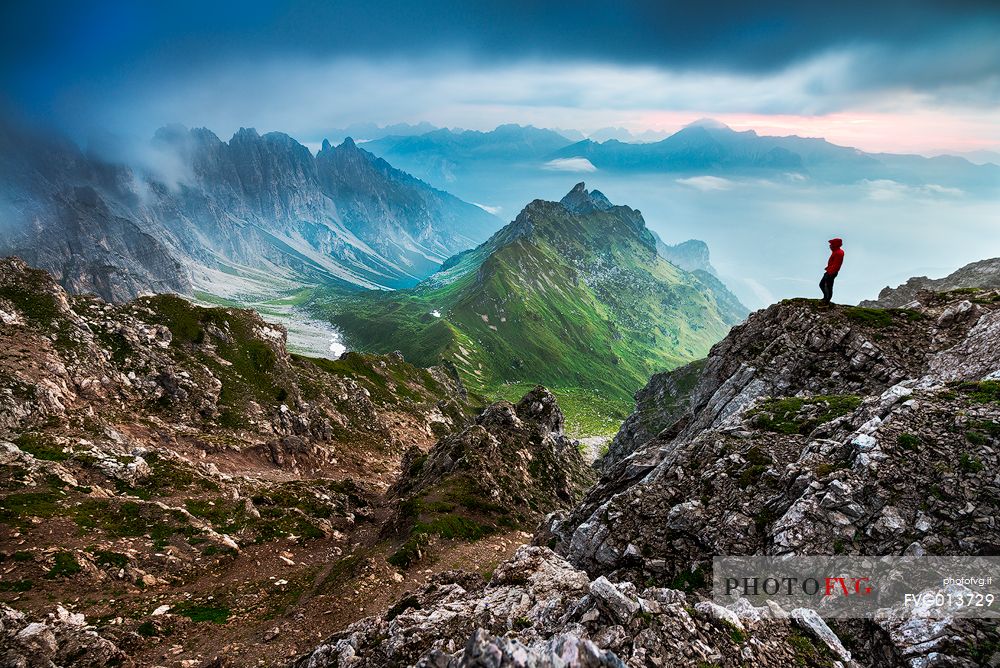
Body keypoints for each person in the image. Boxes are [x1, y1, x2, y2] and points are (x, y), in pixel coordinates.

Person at [820, 238, 844, 303]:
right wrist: (828, 268)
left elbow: (836, 265)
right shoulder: (835, 251)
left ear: (835, 245)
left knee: (828, 286)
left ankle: (827, 301)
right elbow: (834, 263)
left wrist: (830, 272)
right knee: (822, 284)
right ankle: (825, 298)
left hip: (831, 273)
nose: (830, 245)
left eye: (831, 244)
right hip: (829, 271)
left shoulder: (839, 253)